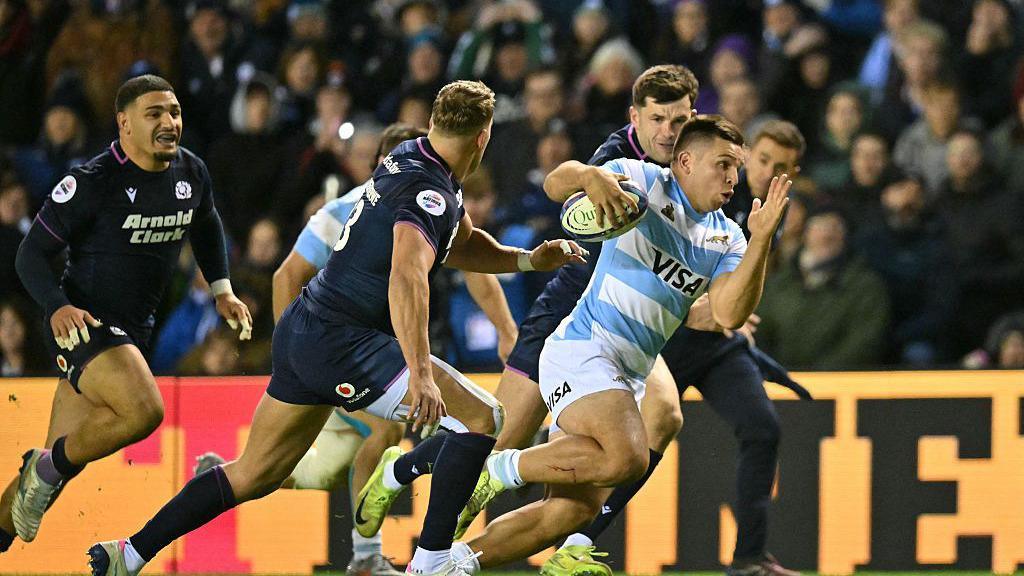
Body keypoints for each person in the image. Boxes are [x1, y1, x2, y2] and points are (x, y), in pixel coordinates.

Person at [87, 80, 586, 576]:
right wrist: (421, 371)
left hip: (307, 328)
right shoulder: (428, 190)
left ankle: (127, 554)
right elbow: (407, 277)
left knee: (253, 474)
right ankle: (430, 562)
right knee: (481, 419)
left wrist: (526, 260)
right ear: (484, 137)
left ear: (435, 123)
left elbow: (459, 242)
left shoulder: (415, 158)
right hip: (345, 343)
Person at [360, 114, 791, 575]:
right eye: (723, 164)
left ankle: (449, 565)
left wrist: (762, 240)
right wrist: (589, 176)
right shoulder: (645, 181)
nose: (732, 177)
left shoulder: (728, 237)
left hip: (630, 371)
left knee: (571, 511)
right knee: (628, 455)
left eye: (737, 168)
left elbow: (728, 313)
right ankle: (497, 469)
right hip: (583, 347)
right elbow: (555, 183)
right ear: (684, 161)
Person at [195, 122, 519, 576]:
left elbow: (473, 266)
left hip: (376, 356)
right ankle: (368, 554)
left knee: (319, 471)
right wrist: (299, 361)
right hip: (339, 355)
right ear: (382, 168)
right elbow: (286, 276)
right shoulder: (343, 211)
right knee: (389, 433)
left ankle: (221, 474)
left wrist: (506, 328)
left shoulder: (431, 203)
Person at [0, 74, 251, 554]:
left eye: (174, 112)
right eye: (154, 113)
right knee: (145, 410)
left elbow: (207, 222)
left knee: (41, 492)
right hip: (82, 324)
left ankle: (22, 501)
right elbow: (29, 255)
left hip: (131, 333)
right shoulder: (93, 182)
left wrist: (222, 289)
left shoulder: (191, 172)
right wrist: (57, 306)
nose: (169, 122)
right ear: (124, 124)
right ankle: (46, 466)